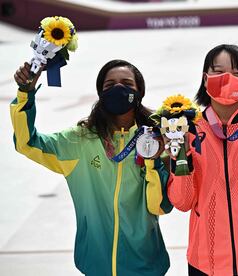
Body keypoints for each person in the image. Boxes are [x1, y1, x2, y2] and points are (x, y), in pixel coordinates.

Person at [10, 60, 173, 276]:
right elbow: (27, 143)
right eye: (109, 85)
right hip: (96, 266)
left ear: (139, 92)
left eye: (126, 83)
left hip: (145, 265)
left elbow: (162, 206)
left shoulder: (156, 140)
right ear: (100, 93)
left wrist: (152, 161)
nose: (118, 88)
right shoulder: (80, 141)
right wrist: (25, 93)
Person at [167, 44, 238, 275]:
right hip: (206, 262)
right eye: (218, 72)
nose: (227, 79)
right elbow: (182, 202)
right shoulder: (186, 129)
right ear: (205, 78)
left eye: (237, 73)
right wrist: (181, 154)